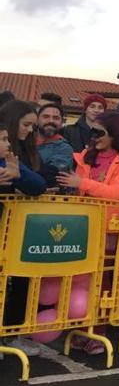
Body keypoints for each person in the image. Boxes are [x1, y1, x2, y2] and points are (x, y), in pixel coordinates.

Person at [56, 111, 119, 355]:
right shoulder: (83, 157)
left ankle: (97, 333)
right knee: (78, 280)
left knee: (102, 283)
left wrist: (82, 184)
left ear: (114, 134)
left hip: (109, 229)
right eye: (92, 131)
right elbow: (75, 189)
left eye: (99, 132)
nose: (94, 137)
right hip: (82, 228)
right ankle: (81, 329)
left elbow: (117, 192)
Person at [0, 120, 47, 357]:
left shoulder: (9, 162)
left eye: (7, 139)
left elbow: (39, 185)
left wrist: (19, 176)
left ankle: (9, 335)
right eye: (3, 139)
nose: (8, 144)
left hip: (9, 237)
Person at [35, 102, 74, 187]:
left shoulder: (64, 149)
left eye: (56, 118)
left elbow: (51, 176)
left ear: (62, 122)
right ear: (37, 120)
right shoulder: (24, 141)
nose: (51, 121)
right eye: (46, 117)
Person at [0, 100, 40, 173]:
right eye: (26, 125)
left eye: (33, 126)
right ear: (11, 122)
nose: (30, 130)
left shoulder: (29, 146)